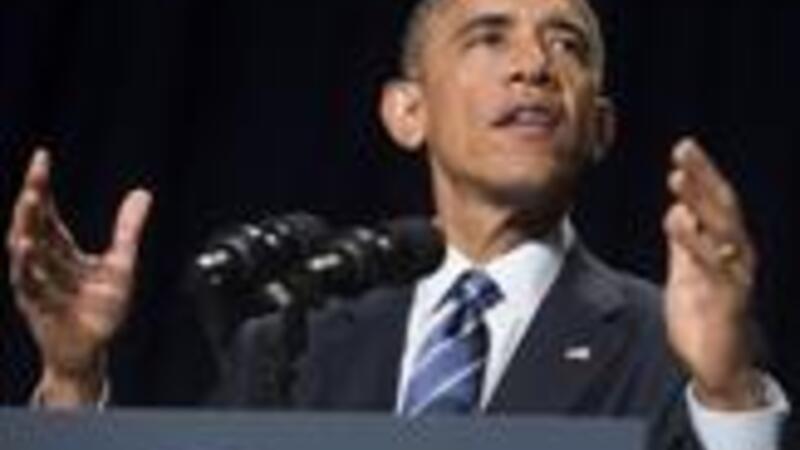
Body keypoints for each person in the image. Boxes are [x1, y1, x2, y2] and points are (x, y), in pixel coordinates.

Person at [4, 0, 790, 448]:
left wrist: (729, 395)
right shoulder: (292, 341)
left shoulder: (673, 346)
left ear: (601, 127)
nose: (535, 65)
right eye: (489, 37)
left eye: (567, 45)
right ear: (407, 111)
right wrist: (72, 379)